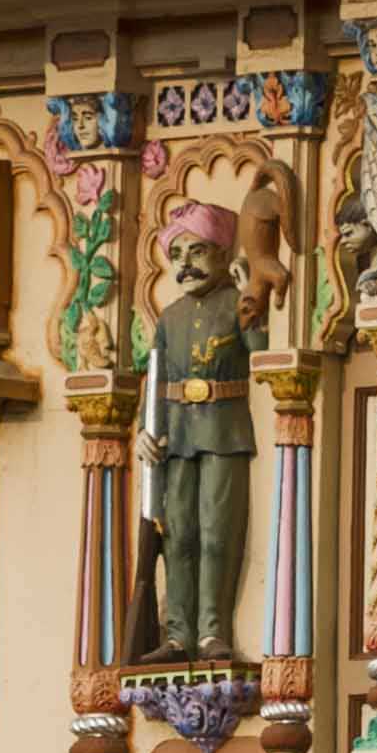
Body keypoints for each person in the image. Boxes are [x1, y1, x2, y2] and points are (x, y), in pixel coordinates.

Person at [140, 210, 258, 660]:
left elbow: (261, 352)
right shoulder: (170, 317)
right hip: (176, 434)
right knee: (178, 533)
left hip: (224, 428)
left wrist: (250, 301)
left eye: (196, 251)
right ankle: (177, 635)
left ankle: (212, 631)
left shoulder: (234, 303)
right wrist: (142, 433)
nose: (185, 263)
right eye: (177, 254)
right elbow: (154, 380)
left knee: (215, 532)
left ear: (221, 252)